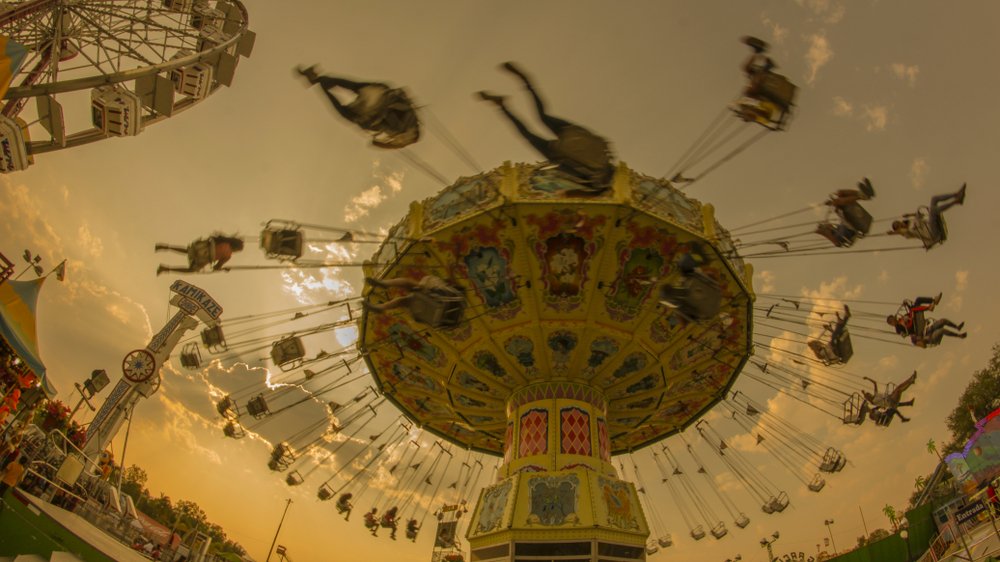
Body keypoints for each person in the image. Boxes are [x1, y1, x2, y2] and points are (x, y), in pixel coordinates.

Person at [477, 62, 615, 192]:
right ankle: (504, 104)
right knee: (529, 131)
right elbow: (568, 172)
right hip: (564, 146)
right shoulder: (596, 178)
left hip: (570, 137)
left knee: (540, 119)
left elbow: (602, 143)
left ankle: (519, 89)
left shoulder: (603, 161)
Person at [296, 66, 420, 149]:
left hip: (380, 99)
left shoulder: (409, 125)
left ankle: (320, 80)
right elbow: (380, 144)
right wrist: (376, 142)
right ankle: (319, 81)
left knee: (354, 87)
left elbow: (404, 102)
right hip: (374, 109)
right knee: (345, 111)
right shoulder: (403, 136)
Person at [365, 275, 466, 328]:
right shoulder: (453, 294)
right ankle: (381, 306)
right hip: (438, 309)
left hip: (439, 303)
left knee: (408, 285)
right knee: (404, 300)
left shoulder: (449, 292)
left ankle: (384, 288)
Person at [888, 183, 967, 249]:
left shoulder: (911, 221)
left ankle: (956, 194)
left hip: (930, 225)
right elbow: (903, 232)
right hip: (932, 234)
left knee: (934, 199)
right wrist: (894, 233)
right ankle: (956, 201)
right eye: (898, 226)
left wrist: (909, 214)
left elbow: (920, 215)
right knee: (933, 210)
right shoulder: (907, 233)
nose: (900, 224)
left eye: (898, 223)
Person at [156, 234, 245, 275]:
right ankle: (165, 268)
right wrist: (224, 269)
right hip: (202, 259)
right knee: (191, 270)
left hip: (201, 248)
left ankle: (165, 247)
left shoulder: (223, 241)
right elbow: (216, 267)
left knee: (187, 251)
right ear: (236, 249)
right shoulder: (228, 255)